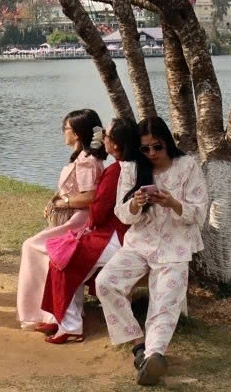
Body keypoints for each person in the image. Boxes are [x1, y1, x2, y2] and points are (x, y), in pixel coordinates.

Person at [97, 117, 209, 386]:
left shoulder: (187, 166)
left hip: (175, 246)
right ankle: (138, 344)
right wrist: (135, 203)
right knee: (106, 283)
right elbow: (122, 215)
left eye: (157, 147)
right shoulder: (132, 168)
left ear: (167, 142)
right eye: (144, 148)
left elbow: (200, 213)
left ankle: (153, 356)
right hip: (140, 243)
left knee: (165, 299)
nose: (151, 153)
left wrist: (173, 203)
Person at [41, 117, 140, 344]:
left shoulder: (116, 171)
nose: (103, 138)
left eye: (107, 136)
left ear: (116, 144)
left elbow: (100, 208)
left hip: (115, 234)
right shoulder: (133, 165)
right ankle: (64, 318)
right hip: (121, 232)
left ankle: (70, 326)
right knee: (68, 259)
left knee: (63, 261)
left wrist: (90, 225)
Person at [16, 108, 107, 329]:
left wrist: (63, 203)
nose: (62, 132)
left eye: (65, 128)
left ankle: (46, 313)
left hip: (79, 221)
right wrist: (55, 201)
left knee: (33, 247)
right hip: (73, 218)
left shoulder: (87, 161)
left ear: (77, 133)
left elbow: (91, 196)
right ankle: (49, 312)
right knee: (37, 248)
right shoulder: (82, 158)